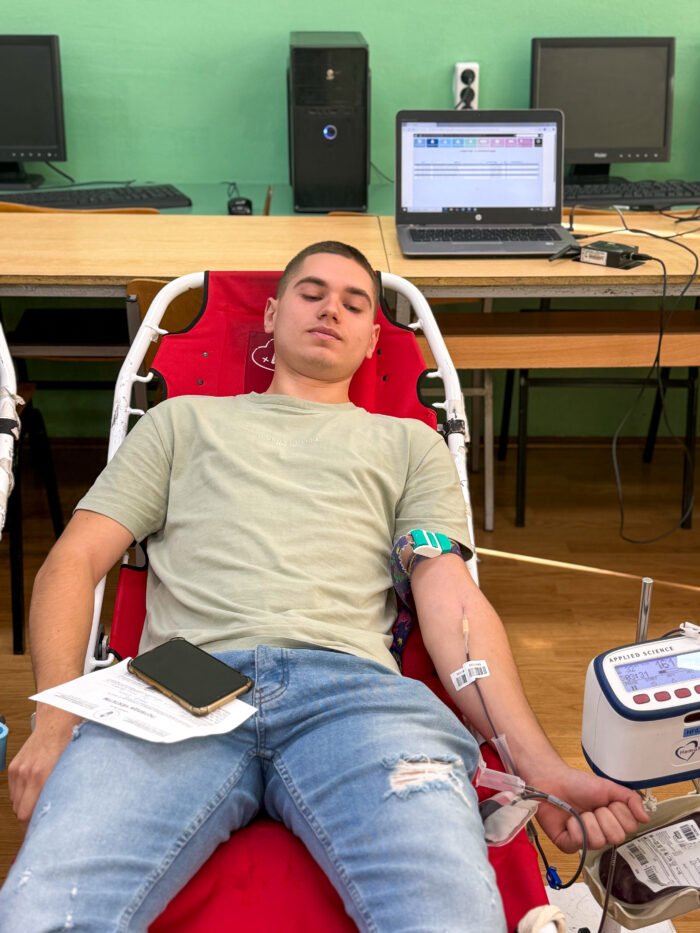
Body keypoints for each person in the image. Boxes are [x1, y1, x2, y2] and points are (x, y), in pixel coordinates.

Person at [0, 242, 647, 932]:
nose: (330, 309)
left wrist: (540, 768)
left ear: (372, 341)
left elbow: (452, 600)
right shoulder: (180, 422)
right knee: (45, 915)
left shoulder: (410, 444)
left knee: (449, 916)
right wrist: (55, 720)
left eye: (354, 302)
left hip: (355, 696)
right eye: (311, 294)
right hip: (177, 683)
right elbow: (73, 562)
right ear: (271, 316)